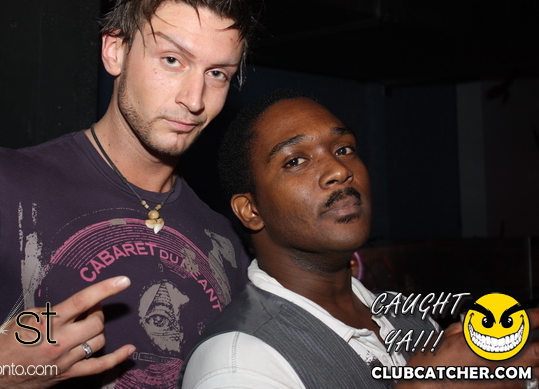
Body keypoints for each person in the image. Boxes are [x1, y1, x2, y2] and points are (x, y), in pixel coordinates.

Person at [0, 0, 259, 388]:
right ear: (115, 51)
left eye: (217, 74)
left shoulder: (224, 243)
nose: (194, 100)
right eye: (172, 60)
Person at [180, 89, 539, 388]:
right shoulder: (237, 362)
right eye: (295, 161)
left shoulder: (409, 318)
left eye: (344, 149)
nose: (339, 170)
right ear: (251, 210)